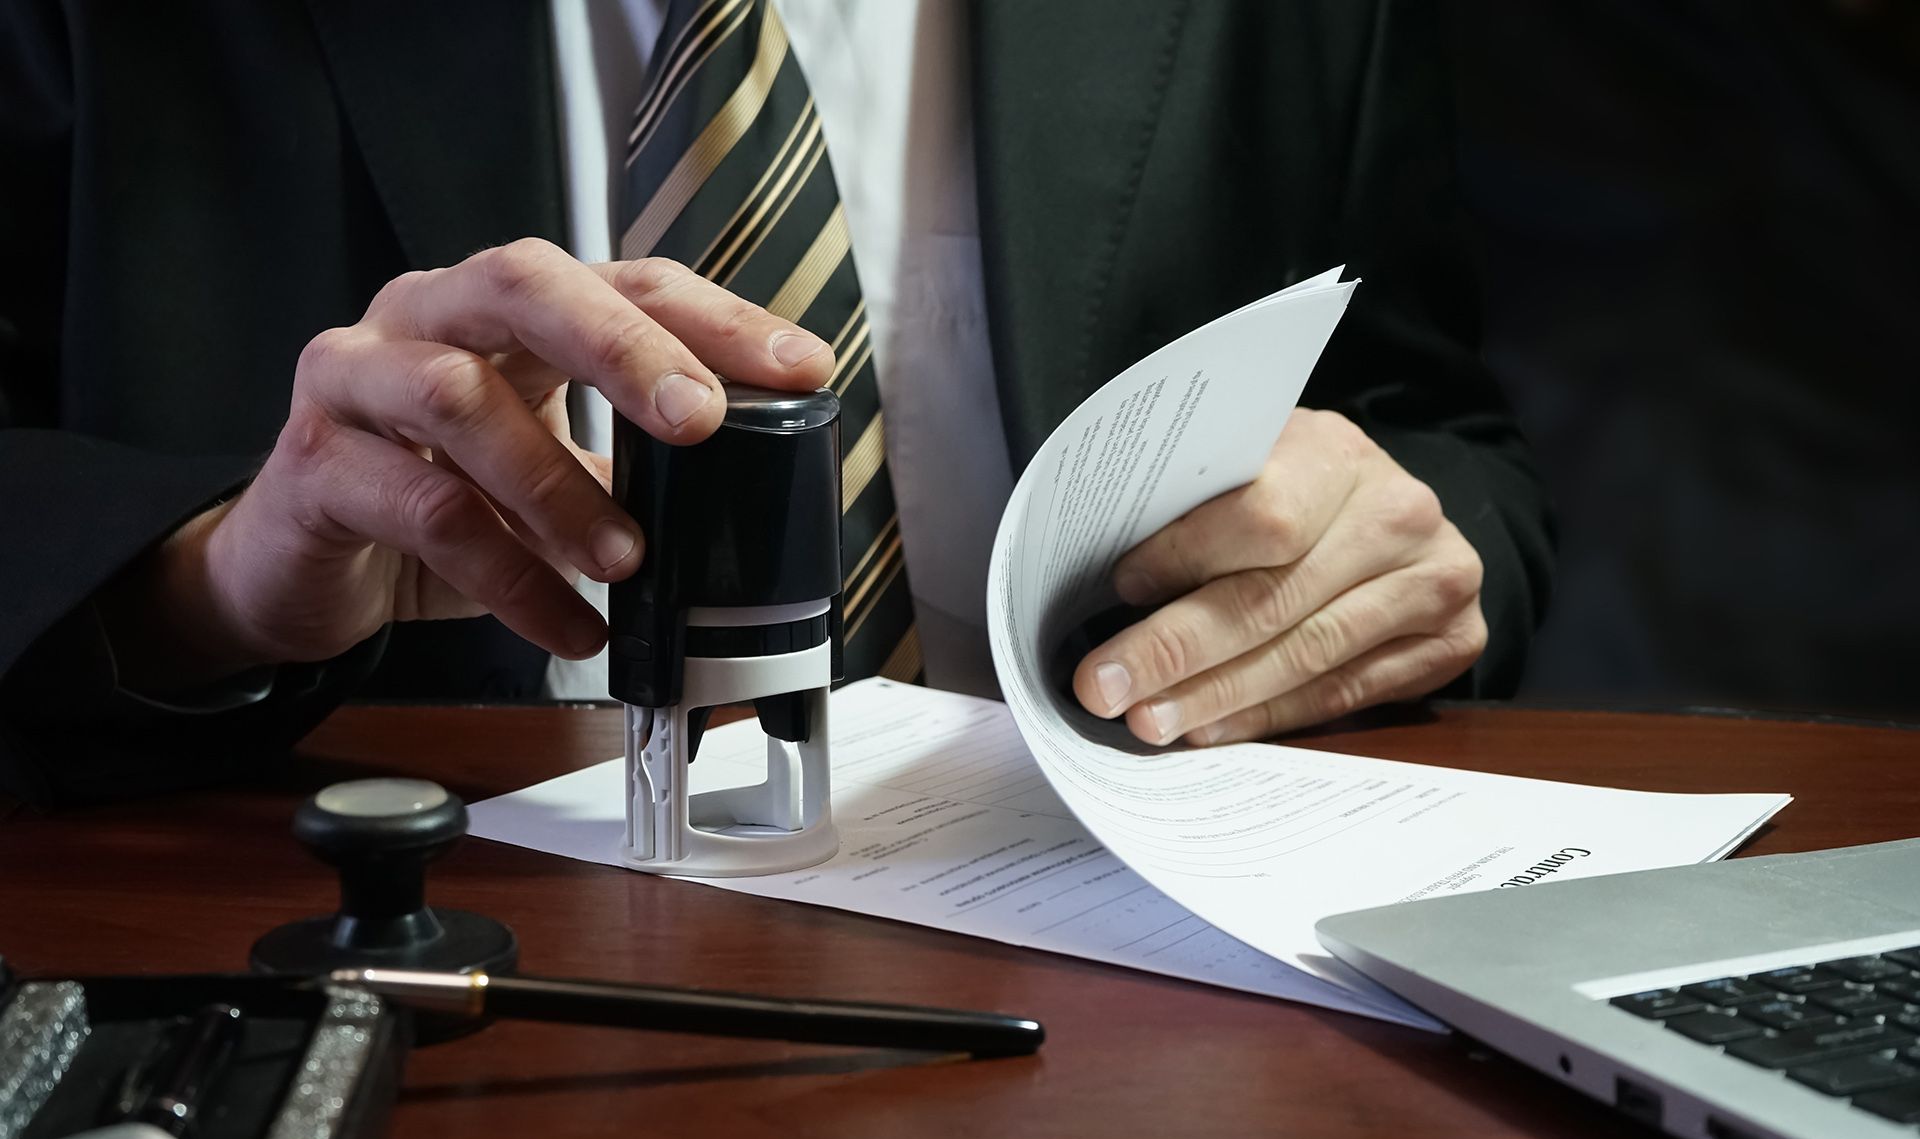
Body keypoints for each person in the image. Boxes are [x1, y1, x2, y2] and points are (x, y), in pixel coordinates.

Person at [0, 0, 1553, 807]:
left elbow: (1439, 444)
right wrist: (202, 579)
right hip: (387, 958)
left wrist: (1404, 545)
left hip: (1127, 970)